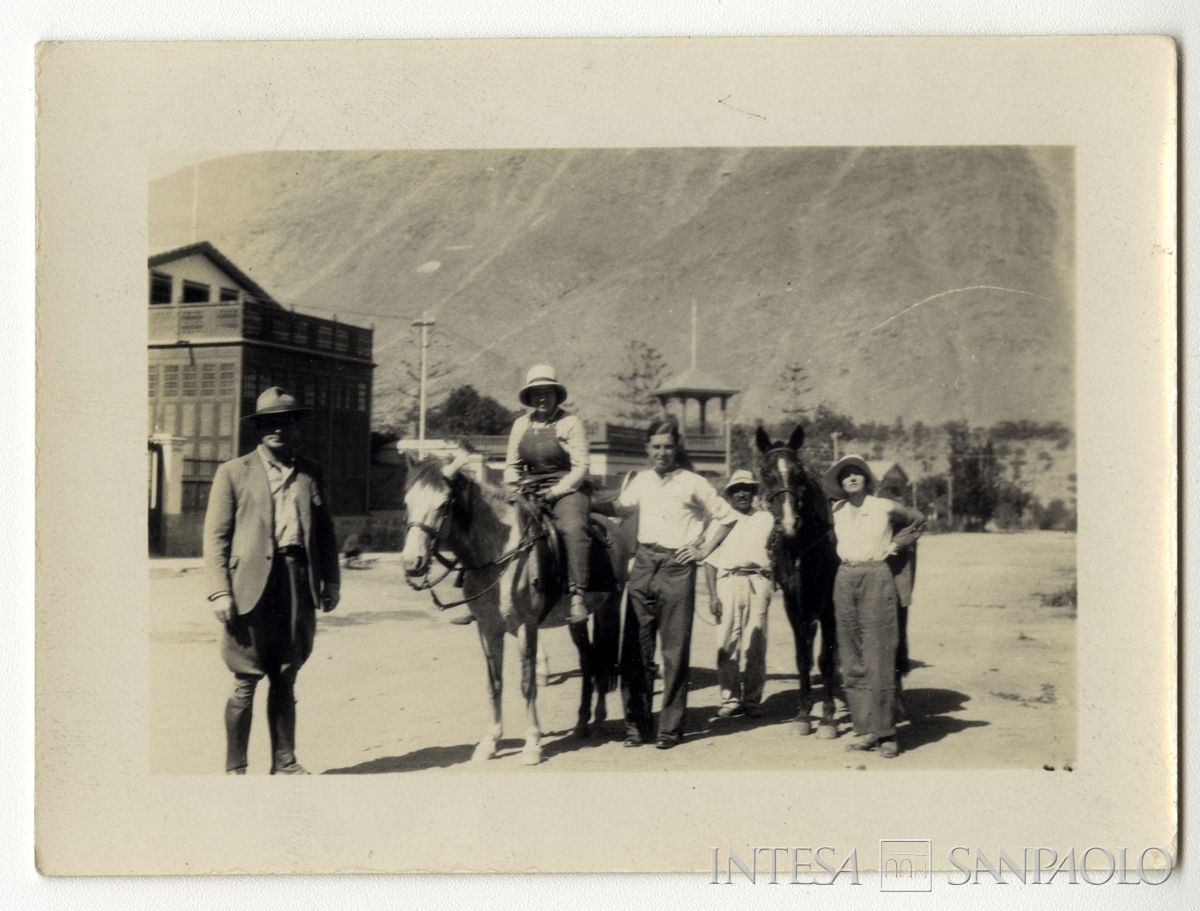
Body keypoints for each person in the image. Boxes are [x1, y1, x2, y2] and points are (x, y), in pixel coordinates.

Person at [204, 387, 340, 775]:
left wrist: (331, 582)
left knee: (285, 674)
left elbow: (325, 533)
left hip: (296, 581)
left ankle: (285, 763)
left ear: (295, 426)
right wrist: (219, 590)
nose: (277, 429)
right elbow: (215, 536)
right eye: (269, 423)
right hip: (248, 586)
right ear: (258, 428)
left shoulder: (311, 473)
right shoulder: (233, 472)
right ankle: (236, 769)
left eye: (285, 422)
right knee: (245, 678)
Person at [614, 418, 737, 750]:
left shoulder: (693, 482)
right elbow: (619, 507)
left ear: (677, 448)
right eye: (656, 446)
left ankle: (669, 729)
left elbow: (727, 517)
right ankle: (636, 726)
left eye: (668, 446)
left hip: (676, 568)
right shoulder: (641, 480)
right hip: (643, 564)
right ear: (647, 448)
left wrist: (703, 550)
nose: (662, 452)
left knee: (674, 652)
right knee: (635, 650)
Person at [820, 454, 924, 759]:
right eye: (846, 475)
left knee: (879, 654)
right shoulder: (835, 511)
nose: (852, 478)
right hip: (845, 577)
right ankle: (865, 729)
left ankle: (886, 733)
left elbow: (917, 521)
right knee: (851, 656)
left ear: (866, 478)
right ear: (840, 483)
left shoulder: (883, 506)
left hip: (876, 575)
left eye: (857, 473)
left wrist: (897, 544)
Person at [502, 364, 591, 625]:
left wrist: (554, 492)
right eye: (536, 393)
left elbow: (581, 467)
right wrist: (513, 486)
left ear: (556, 395)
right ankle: (479, 591)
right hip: (528, 489)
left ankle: (577, 594)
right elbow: (511, 465)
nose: (541, 398)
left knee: (573, 528)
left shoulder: (570, 422)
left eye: (547, 392)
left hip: (566, 489)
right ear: (529, 397)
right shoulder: (521, 424)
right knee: (497, 526)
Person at [703, 469, 776, 719]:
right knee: (726, 641)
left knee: (756, 642)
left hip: (758, 581)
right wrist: (713, 596)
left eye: (747, 489)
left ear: (754, 492)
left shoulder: (767, 519)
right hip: (728, 582)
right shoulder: (720, 521)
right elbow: (709, 561)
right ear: (730, 494)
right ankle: (730, 698)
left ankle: (753, 699)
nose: (742, 494)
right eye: (737, 490)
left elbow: (778, 549)